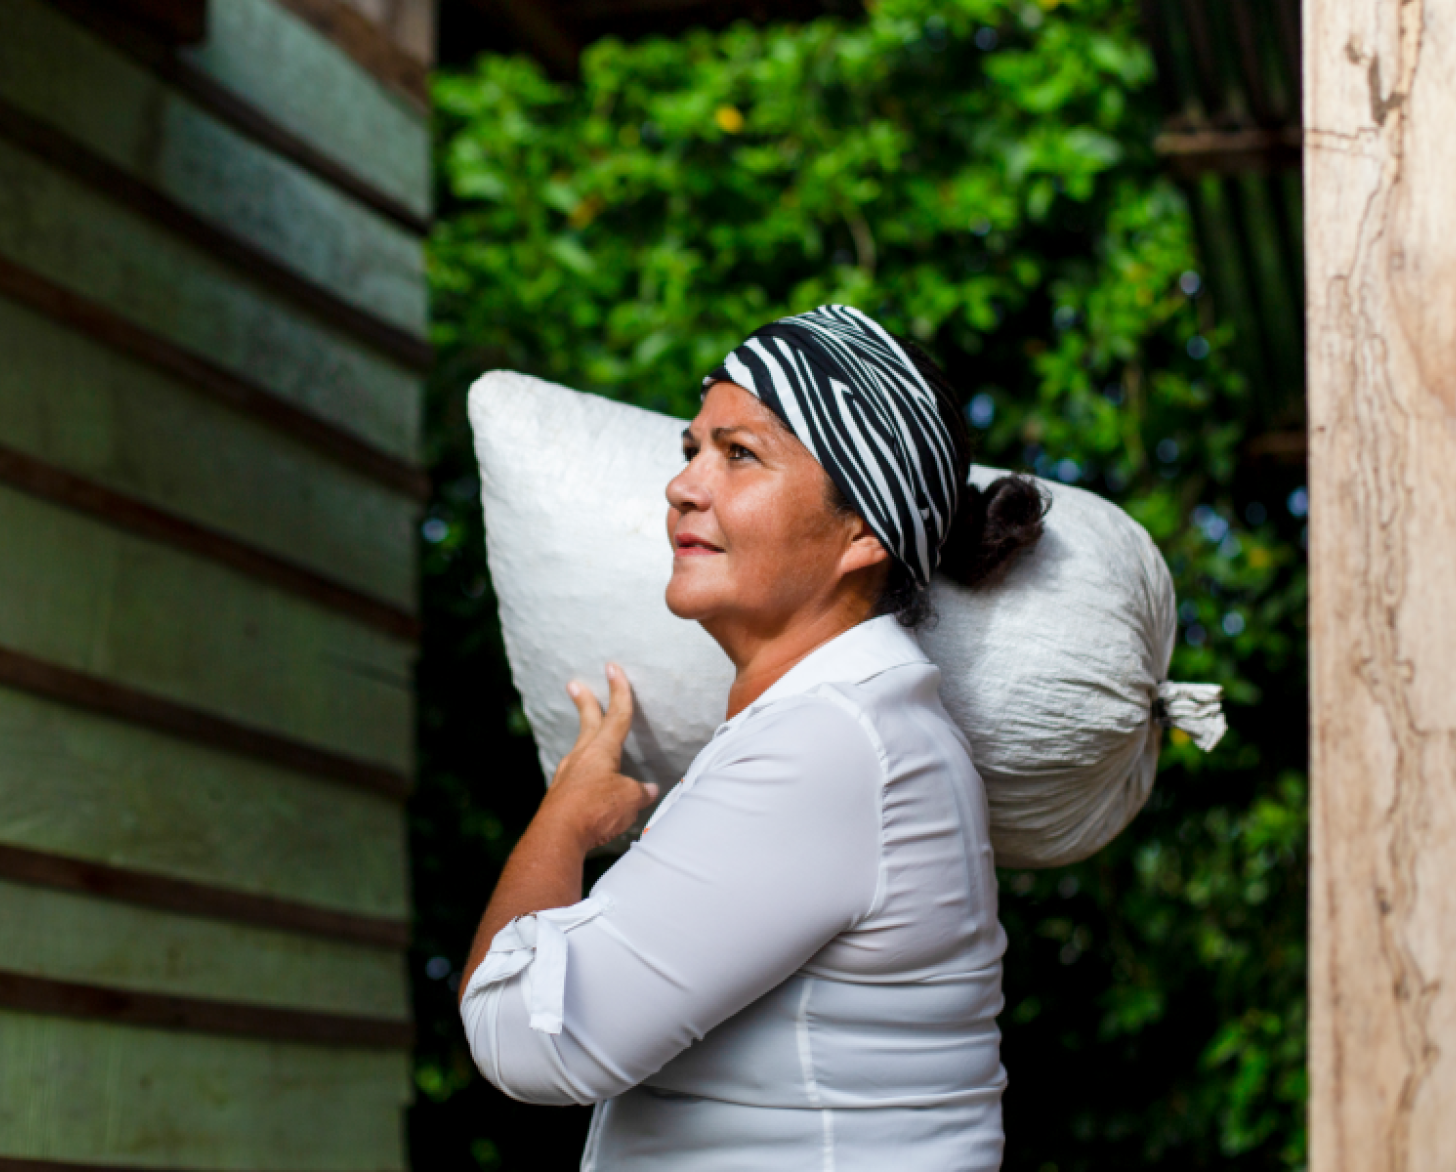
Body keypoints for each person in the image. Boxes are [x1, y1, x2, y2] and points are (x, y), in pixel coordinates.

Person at [459, 304, 1045, 1170]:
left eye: (739, 454)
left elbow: (524, 1036)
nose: (684, 485)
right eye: (691, 448)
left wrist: (566, 819)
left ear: (863, 531)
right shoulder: (849, 730)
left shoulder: (832, 750)